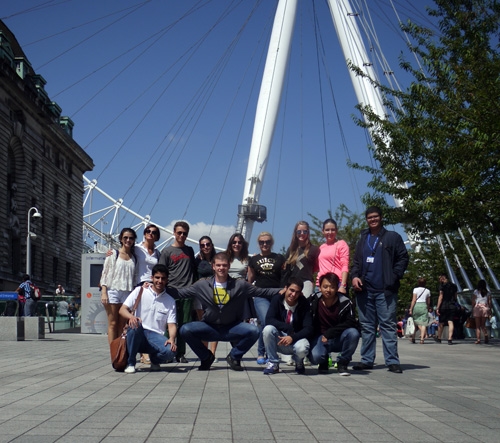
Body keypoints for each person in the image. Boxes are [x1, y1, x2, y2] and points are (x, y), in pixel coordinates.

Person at [168, 252, 281, 371]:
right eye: (218, 265)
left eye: (224, 265)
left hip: (231, 327)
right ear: (213, 266)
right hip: (209, 326)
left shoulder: (240, 285)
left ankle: (234, 356)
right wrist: (160, 287)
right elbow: (180, 294)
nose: (221, 268)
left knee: (254, 331)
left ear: (228, 266)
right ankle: (206, 357)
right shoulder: (202, 285)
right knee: (185, 330)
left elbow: (262, 292)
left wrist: (282, 290)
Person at [351, 206, 409, 374]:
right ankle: (367, 360)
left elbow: (403, 257)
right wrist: (354, 277)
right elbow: (356, 263)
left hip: (385, 290)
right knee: (367, 326)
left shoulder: (392, 237)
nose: (373, 220)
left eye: (375, 217)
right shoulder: (363, 239)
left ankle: (392, 361)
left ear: (381, 218)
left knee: (388, 325)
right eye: (369, 217)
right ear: (366, 219)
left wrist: (395, 275)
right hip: (365, 290)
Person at [119, 264, 177, 374]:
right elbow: (122, 310)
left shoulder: (170, 301)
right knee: (135, 324)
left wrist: (172, 338)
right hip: (138, 332)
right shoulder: (140, 291)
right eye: (157, 277)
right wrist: (131, 317)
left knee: (170, 351)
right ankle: (131, 363)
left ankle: (155, 360)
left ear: (167, 280)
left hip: (155, 336)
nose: (160, 281)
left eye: (163, 278)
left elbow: (172, 324)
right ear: (152, 278)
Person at [159, 221, 197, 363]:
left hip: (187, 292)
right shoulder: (167, 251)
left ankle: (180, 353)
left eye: (184, 233)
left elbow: (194, 269)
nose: (182, 235)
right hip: (171, 292)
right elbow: (161, 272)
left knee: (184, 325)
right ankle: (168, 351)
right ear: (174, 233)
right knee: (169, 324)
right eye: (179, 232)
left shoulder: (190, 251)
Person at [309, 273, 360, 376]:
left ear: (337, 288)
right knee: (316, 357)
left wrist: (330, 333)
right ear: (320, 287)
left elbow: (350, 322)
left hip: (338, 337)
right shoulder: (313, 300)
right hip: (320, 337)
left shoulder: (345, 302)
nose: (328, 290)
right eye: (325, 286)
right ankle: (323, 362)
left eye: (332, 287)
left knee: (353, 333)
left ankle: (343, 362)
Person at [247, 232, 285, 365]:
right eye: (262, 242)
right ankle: (261, 353)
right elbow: (250, 279)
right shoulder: (254, 260)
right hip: (260, 294)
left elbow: (284, 276)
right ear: (258, 244)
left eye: (267, 242)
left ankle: (270, 352)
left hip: (276, 294)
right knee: (265, 321)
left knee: (271, 323)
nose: (265, 244)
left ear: (271, 243)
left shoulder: (280, 258)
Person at [261, 277, 312, 375]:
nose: (293, 295)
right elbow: (269, 320)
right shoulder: (277, 299)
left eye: (297, 292)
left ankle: (299, 362)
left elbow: (308, 328)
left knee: (303, 347)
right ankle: (273, 363)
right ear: (286, 288)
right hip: (280, 338)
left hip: (296, 338)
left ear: (300, 293)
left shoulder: (304, 304)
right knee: (268, 329)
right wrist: (287, 328)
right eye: (291, 290)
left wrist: (292, 337)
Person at [100, 228, 137, 344]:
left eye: (131, 238)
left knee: (122, 325)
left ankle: (120, 351)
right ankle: (113, 352)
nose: (128, 240)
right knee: (113, 323)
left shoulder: (134, 257)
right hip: (113, 291)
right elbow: (105, 274)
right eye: (125, 237)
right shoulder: (113, 254)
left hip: (127, 293)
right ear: (121, 239)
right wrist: (104, 292)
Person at [195, 235, 218, 361]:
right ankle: (205, 353)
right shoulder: (197, 260)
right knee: (203, 323)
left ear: (212, 245)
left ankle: (212, 353)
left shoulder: (217, 259)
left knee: (215, 323)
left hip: (215, 294)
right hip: (200, 295)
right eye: (203, 245)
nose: (205, 247)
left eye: (208, 244)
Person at [283, 221, 320, 298]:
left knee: (304, 302)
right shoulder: (291, 250)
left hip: (306, 282)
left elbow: (318, 267)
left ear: (308, 232)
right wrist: (285, 286)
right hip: (292, 282)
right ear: (295, 233)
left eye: (305, 231)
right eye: (299, 231)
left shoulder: (314, 249)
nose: (302, 233)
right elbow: (287, 270)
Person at [316, 219, 349, 294]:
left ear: (336, 231)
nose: (330, 232)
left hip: (336, 284)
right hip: (321, 285)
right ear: (323, 231)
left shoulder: (341, 244)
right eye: (327, 230)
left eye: (332, 230)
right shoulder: (321, 247)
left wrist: (343, 285)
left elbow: (344, 265)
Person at [435, 273, 458, 345]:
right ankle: (450, 338)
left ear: (442, 278)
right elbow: (455, 296)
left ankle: (439, 337)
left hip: (444, 306)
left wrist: (437, 307)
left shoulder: (442, 286)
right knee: (450, 322)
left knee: (441, 322)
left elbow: (441, 297)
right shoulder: (454, 286)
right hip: (451, 305)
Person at [409, 277, 431, 344]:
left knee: (415, 323)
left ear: (418, 283)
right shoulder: (427, 291)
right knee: (423, 323)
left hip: (416, 305)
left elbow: (414, 300)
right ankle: (422, 339)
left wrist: (411, 308)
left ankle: (413, 338)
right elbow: (428, 302)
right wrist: (428, 307)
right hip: (424, 305)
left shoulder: (415, 290)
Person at [471, 279, 492, 344]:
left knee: (477, 326)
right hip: (485, 308)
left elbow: (473, 301)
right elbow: (489, 302)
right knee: (483, 325)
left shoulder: (476, 292)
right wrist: (490, 310)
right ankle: (486, 336)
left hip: (477, 308)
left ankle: (478, 339)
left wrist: (473, 308)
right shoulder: (488, 292)